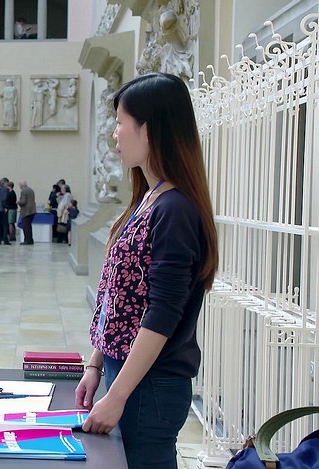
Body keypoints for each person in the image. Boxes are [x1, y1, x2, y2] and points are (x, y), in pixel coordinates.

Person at [75, 73, 219, 469]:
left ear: (149, 129)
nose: (114, 134)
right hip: (129, 373)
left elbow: (161, 314)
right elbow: (119, 299)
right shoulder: (150, 199)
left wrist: (118, 395)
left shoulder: (174, 210)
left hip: (151, 384)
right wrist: (96, 363)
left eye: (120, 122)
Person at [17, 181, 36, 245]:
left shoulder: (23, 191)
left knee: (26, 227)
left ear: (21, 186)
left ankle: (27, 240)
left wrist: (18, 202)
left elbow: (23, 201)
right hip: (32, 210)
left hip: (26, 211)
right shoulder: (31, 190)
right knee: (29, 226)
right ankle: (30, 239)